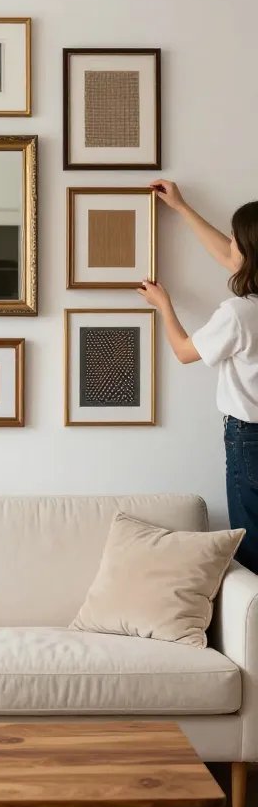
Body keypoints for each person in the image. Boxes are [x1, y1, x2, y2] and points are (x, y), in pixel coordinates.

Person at [138, 181, 258, 573]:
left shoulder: (239, 313)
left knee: (251, 545)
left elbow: (185, 352)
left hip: (250, 439)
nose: (231, 247)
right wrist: (182, 207)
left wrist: (164, 305)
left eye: (236, 240)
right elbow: (228, 256)